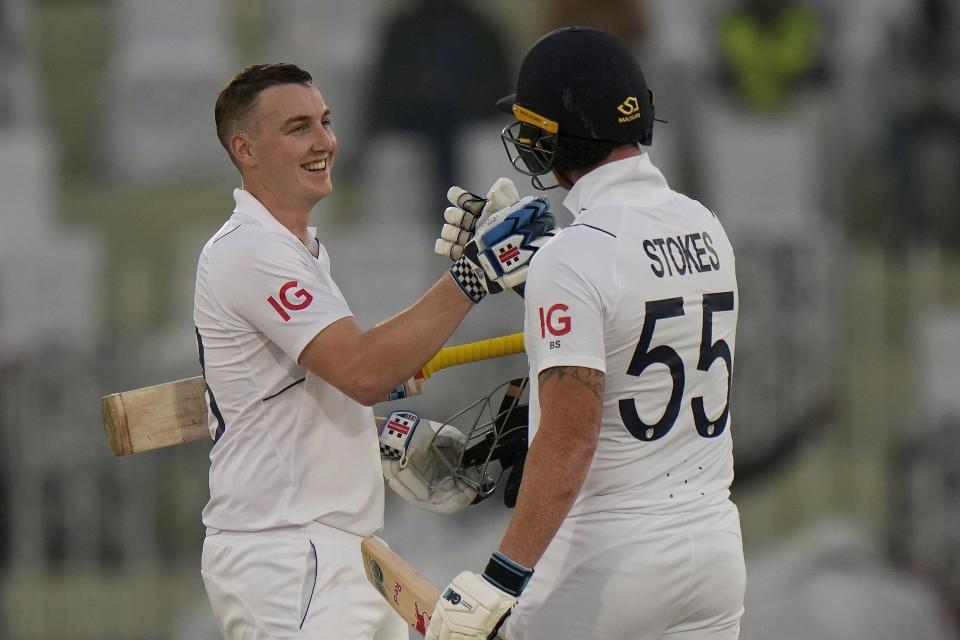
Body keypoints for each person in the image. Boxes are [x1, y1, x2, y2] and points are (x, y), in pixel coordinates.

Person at [194, 62, 555, 639]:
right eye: (297, 128)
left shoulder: (296, 247)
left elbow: (333, 377)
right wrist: (474, 272)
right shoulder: (251, 250)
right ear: (246, 149)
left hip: (333, 549)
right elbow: (360, 371)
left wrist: (377, 421)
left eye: (326, 121)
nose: (324, 141)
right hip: (288, 555)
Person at [427, 27, 745, 639]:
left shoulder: (571, 260)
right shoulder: (705, 224)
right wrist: (535, 275)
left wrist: (499, 581)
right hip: (714, 551)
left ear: (553, 137)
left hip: (609, 560)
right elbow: (633, 312)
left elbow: (571, 442)